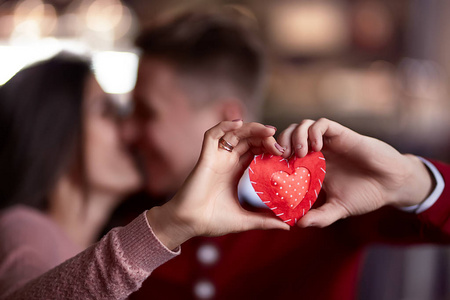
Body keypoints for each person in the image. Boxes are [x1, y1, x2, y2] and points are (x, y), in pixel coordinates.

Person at [122, 9, 450, 299]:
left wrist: (407, 179)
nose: (128, 132)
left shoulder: (326, 197)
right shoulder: (125, 211)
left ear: (224, 118)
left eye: (147, 113)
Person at [0, 53, 288, 299]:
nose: (129, 132)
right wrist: (167, 226)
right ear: (54, 131)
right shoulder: (22, 227)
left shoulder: (123, 223)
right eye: (107, 112)